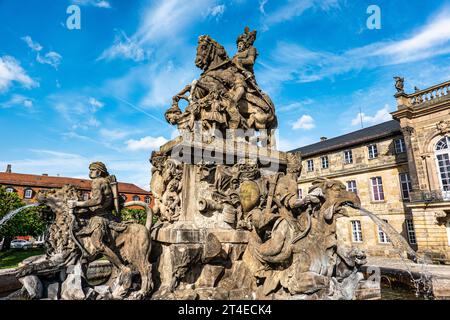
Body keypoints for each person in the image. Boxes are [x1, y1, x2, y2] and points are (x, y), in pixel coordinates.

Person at [68, 162, 125, 269]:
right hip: (103, 214)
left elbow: (97, 200)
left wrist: (77, 203)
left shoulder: (97, 182)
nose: (90, 172)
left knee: (97, 243)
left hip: (100, 217)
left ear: (99, 172)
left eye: (92, 170)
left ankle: (122, 267)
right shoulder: (105, 181)